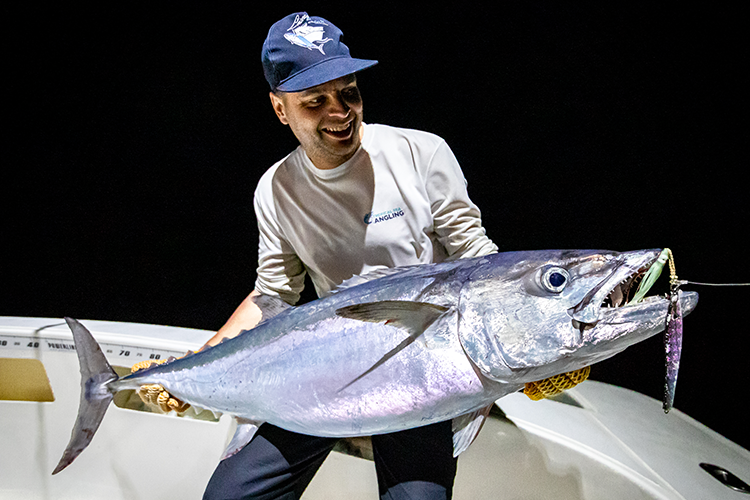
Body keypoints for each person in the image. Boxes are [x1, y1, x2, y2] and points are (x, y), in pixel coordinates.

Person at [143, 11, 498, 500]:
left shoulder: (421, 152)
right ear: (280, 109)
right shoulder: (275, 189)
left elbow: (480, 263)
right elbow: (274, 293)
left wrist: (538, 346)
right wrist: (199, 361)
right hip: (325, 367)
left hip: (419, 366)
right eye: (315, 101)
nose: (340, 112)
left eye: (348, 92)